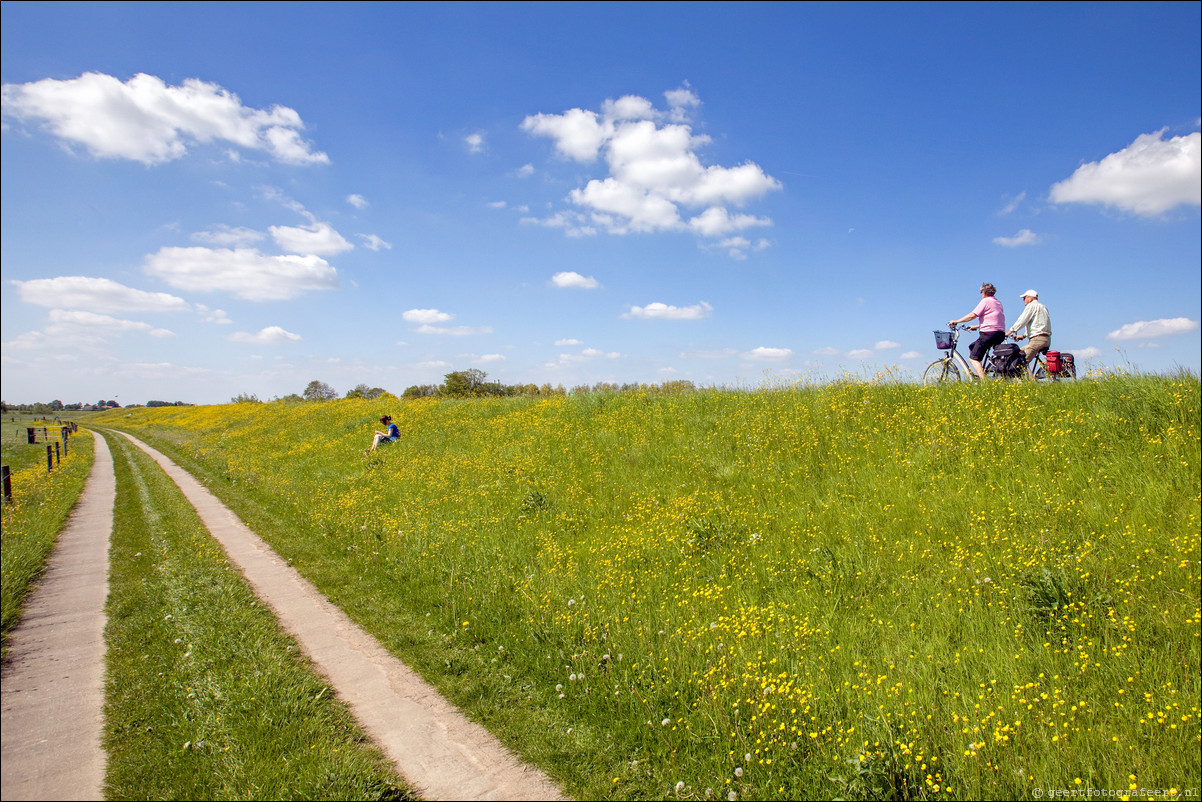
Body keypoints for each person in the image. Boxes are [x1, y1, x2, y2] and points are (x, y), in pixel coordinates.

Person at [948, 283, 1005, 380]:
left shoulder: (985, 301)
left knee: (973, 358)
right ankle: (981, 371)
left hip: (988, 334)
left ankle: (983, 381)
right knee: (972, 347)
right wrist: (977, 326)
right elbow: (993, 320)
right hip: (1000, 334)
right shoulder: (998, 303)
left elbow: (972, 315)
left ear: (984, 292)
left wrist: (956, 321)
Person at [1006, 289, 1052, 372]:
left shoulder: (1031, 306)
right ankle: (1049, 374)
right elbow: (1038, 325)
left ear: (1030, 298)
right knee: (1023, 355)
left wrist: (1011, 331)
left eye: (1024, 298)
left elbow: (1023, 320)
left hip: (1037, 340)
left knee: (1020, 359)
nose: (1023, 301)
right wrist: (1023, 335)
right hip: (1046, 339)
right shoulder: (1043, 307)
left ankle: (1031, 382)